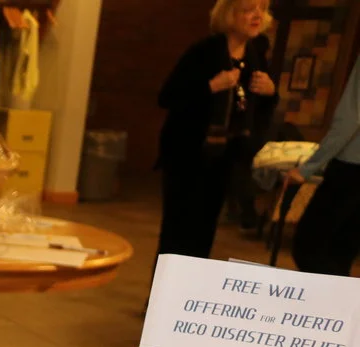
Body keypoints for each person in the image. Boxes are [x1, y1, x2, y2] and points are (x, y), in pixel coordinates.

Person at [154, 0, 276, 262]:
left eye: (262, 9)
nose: (257, 15)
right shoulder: (204, 51)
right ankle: (164, 287)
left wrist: (270, 92)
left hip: (224, 157)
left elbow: (255, 109)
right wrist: (210, 86)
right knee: (178, 231)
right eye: (249, 9)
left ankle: (191, 287)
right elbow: (167, 97)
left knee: (204, 231)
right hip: (187, 154)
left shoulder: (255, 55)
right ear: (230, 14)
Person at [286, 52, 360, 276]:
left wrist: (308, 168)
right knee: (342, 251)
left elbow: (351, 118)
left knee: (309, 247)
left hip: (351, 167)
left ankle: (324, 298)